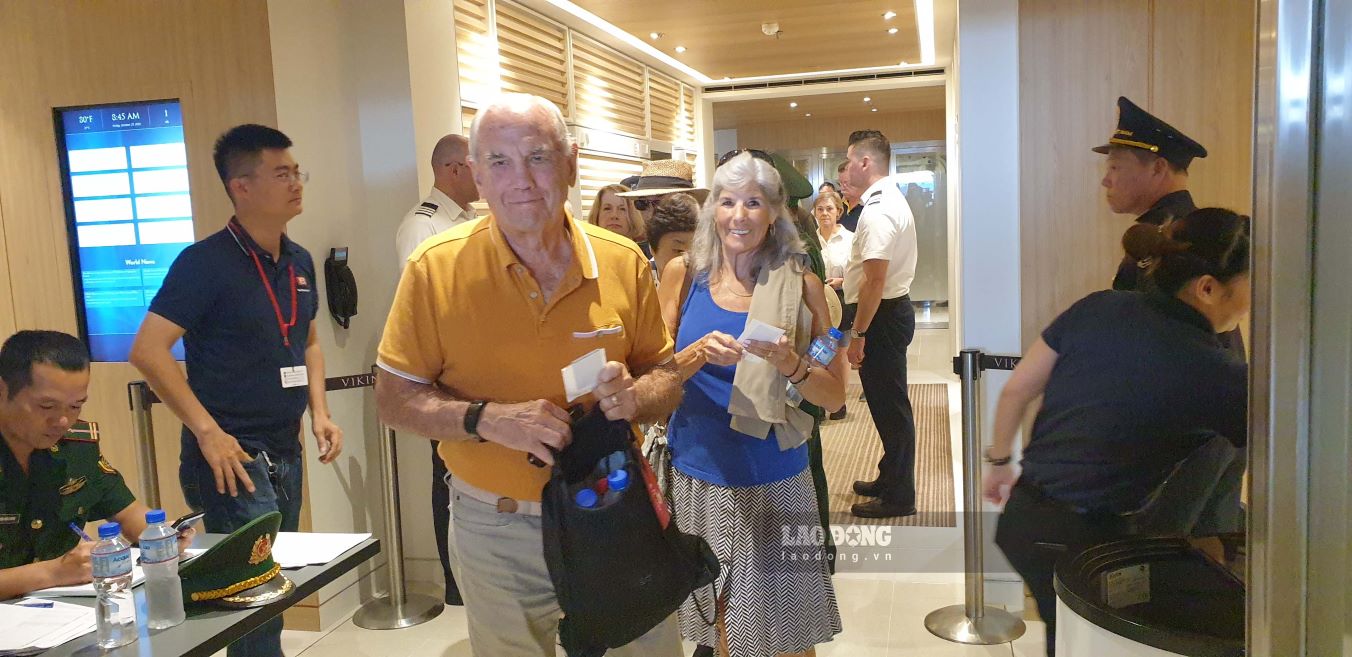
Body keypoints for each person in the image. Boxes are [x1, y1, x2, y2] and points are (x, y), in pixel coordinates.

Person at [373, 93, 683, 657]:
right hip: (497, 527)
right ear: (476, 177)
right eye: (498, 162)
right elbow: (394, 400)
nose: (521, 179)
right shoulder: (434, 269)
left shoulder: (623, 261)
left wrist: (635, 397)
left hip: (614, 504)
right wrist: (485, 419)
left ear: (569, 167)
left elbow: (665, 374)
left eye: (538, 158)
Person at [984, 208, 1249, 656]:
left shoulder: (1098, 305)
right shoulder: (1217, 371)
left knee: (1068, 636)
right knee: (1081, 641)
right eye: (1251, 285)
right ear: (1207, 288)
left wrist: (998, 463)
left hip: (1023, 521)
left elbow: (1017, 391)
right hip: (1087, 538)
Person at [130, 124, 342, 657]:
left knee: (270, 592)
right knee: (252, 600)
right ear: (241, 186)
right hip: (231, 455)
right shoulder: (204, 263)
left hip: (284, 448)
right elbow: (149, 350)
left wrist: (320, 411)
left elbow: (309, 341)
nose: (296, 183)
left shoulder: (298, 261)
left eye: (297, 172)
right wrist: (206, 432)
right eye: (281, 173)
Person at [659, 151, 844, 657]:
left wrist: (792, 364)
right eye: (727, 201)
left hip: (777, 476)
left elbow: (833, 392)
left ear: (774, 214)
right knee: (722, 625)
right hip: (701, 473)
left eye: (754, 203)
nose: (739, 215)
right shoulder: (682, 275)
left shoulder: (802, 286)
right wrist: (696, 355)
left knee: (789, 630)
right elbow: (654, 378)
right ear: (712, 210)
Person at [0, 330, 194, 600]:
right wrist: (53, 573)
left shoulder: (76, 447)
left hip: (58, 615)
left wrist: (161, 536)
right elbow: (54, 573)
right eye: (47, 406)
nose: (63, 421)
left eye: (75, 406)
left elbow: (129, 514)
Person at [394, 134, 478, 607]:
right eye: (474, 164)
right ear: (451, 169)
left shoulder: (467, 221)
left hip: (473, 371)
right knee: (445, 474)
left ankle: (471, 571)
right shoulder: (422, 227)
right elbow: (424, 312)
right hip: (443, 375)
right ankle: (453, 580)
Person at [842, 129, 920, 519]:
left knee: (891, 408)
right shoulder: (887, 199)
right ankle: (890, 477)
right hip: (888, 311)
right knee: (888, 404)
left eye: (849, 159)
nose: (846, 167)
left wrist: (858, 334)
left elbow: (875, 280)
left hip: (882, 317)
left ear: (865, 162)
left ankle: (899, 495)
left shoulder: (877, 209)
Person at [396, 134, 479, 262]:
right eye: (476, 167)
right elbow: (419, 281)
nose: (482, 176)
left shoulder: (471, 216)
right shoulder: (422, 227)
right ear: (455, 170)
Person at [618, 159, 709, 243]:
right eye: (642, 204)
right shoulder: (638, 253)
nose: (651, 212)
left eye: (660, 203)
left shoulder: (709, 248)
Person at [646, 192, 700, 280]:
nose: (688, 259)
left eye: (696, 250)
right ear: (652, 249)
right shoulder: (641, 284)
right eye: (679, 250)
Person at [586, 183, 648, 252]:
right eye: (607, 208)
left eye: (622, 209)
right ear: (597, 214)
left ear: (632, 215)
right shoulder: (585, 253)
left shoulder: (643, 257)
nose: (614, 215)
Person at [835, 161, 862, 233]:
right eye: (840, 183)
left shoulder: (868, 204)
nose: (842, 187)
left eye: (846, 183)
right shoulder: (835, 202)